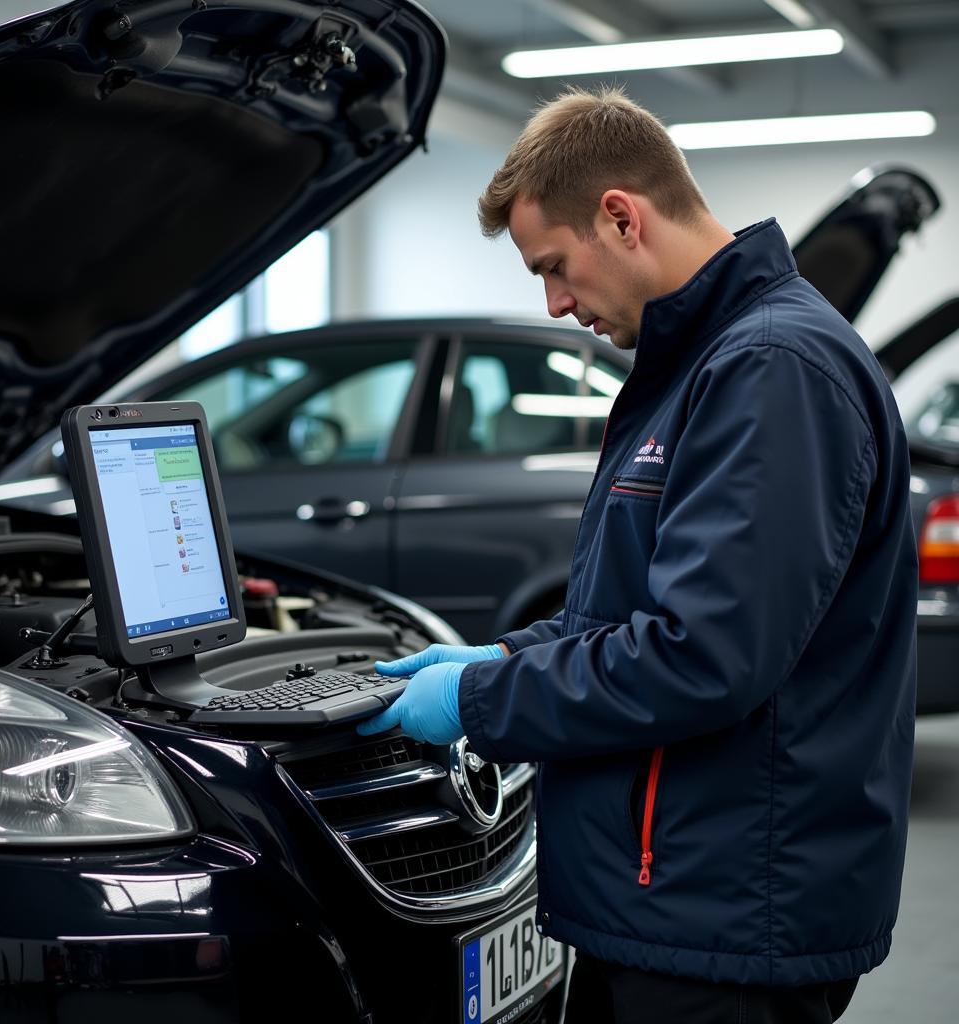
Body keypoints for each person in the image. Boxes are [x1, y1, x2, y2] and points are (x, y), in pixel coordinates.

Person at [358, 87, 917, 1023]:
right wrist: (508, 656)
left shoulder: (770, 368)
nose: (556, 302)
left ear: (620, 216)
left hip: (727, 920)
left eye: (553, 267)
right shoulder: (706, 364)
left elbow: (700, 656)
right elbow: (634, 612)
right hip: (685, 899)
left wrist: (477, 703)